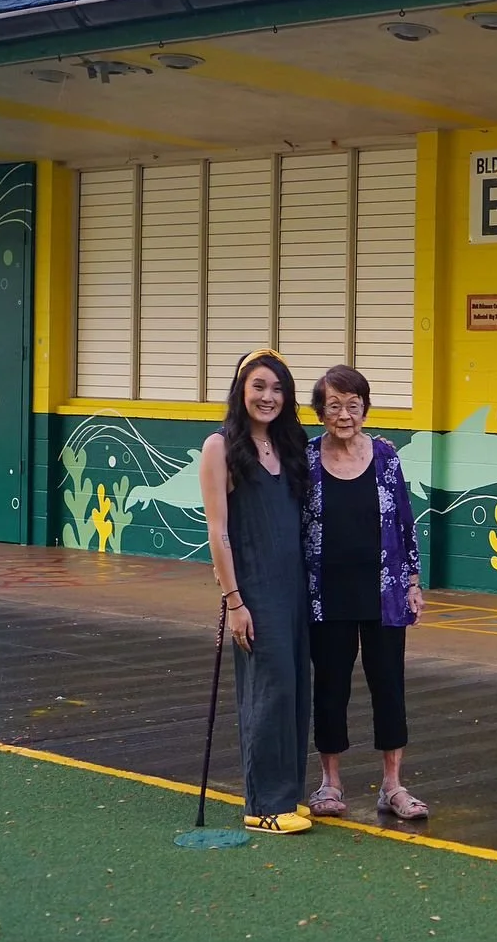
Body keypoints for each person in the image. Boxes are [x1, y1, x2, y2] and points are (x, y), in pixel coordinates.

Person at [302, 364, 429, 821]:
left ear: (365, 408)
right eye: (334, 406)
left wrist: (413, 581)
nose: (344, 414)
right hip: (325, 593)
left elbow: (404, 521)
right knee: (330, 687)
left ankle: (392, 785)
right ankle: (330, 783)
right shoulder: (307, 456)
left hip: (385, 591)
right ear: (319, 412)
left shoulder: (385, 455)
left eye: (353, 405)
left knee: (388, 686)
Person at [199, 348, 313, 835]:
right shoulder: (220, 447)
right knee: (269, 691)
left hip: (295, 589)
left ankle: (287, 792)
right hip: (255, 591)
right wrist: (235, 601)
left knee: (295, 692)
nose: (268, 397)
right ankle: (262, 803)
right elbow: (218, 532)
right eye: (259, 387)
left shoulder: (289, 448)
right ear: (240, 391)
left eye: (277, 389)